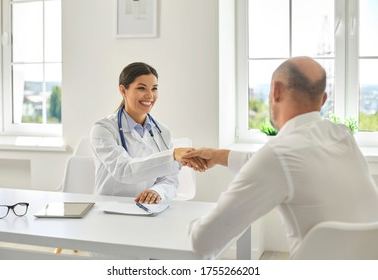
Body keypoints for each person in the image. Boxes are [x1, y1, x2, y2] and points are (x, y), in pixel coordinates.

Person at [184, 56, 378, 259]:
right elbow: (277, 165)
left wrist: (191, 224)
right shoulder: (342, 135)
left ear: (275, 91)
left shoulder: (277, 155)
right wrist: (216, 156)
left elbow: (203, 242)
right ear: (323, 100)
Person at [91, 62, 205, 204]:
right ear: (123, 90)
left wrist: (157, 191)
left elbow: (170, 180)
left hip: (147, 208)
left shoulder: (163, 132)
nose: (150, 96)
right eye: (141, 88)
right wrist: (172, 156)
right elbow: (124, 170)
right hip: (110, 208)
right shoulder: (103, 129)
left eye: (154, 89)